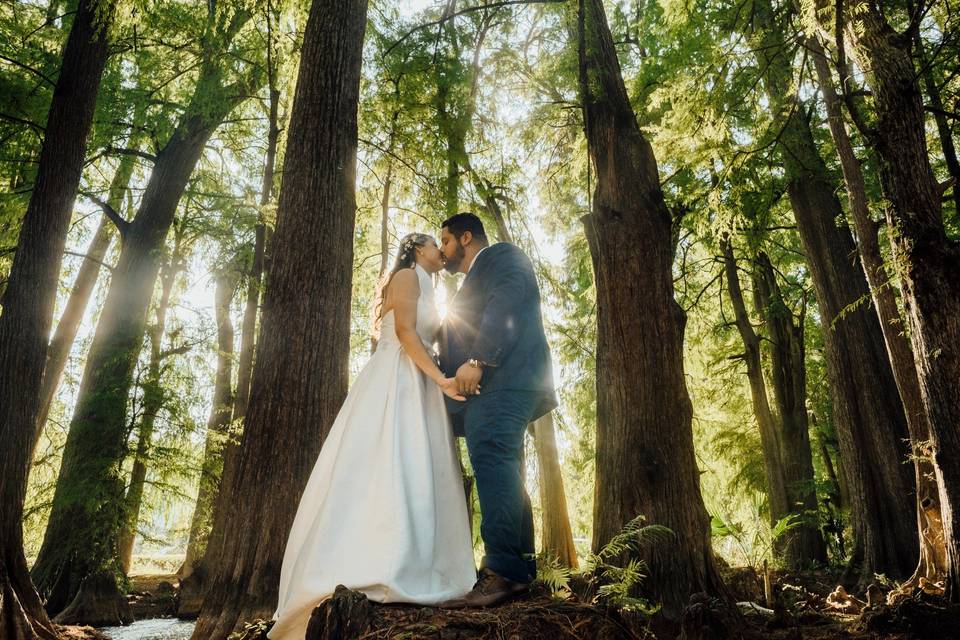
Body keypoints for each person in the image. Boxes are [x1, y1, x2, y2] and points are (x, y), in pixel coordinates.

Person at [267, 233, 476, 640]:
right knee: (387, 463)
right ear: (419, 250)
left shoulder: (430, 284)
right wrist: (441, 379)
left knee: (420, 469)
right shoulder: (406, 277)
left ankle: (423, 564)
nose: (442, 252)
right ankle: (378, 563)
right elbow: (406, 333)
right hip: (397, 380)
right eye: (437, 245)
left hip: (421, 384)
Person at [437, 212, 557, 608]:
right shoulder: (473, 278)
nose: (442, 251)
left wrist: (479, 359)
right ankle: (520, 570)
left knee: (492, 457)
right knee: (505, 465)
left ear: (466, 237)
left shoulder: (501, 256)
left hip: (502, 380)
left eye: (447, 242)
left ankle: (501, 572)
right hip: (494, 386)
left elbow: (507, 299)